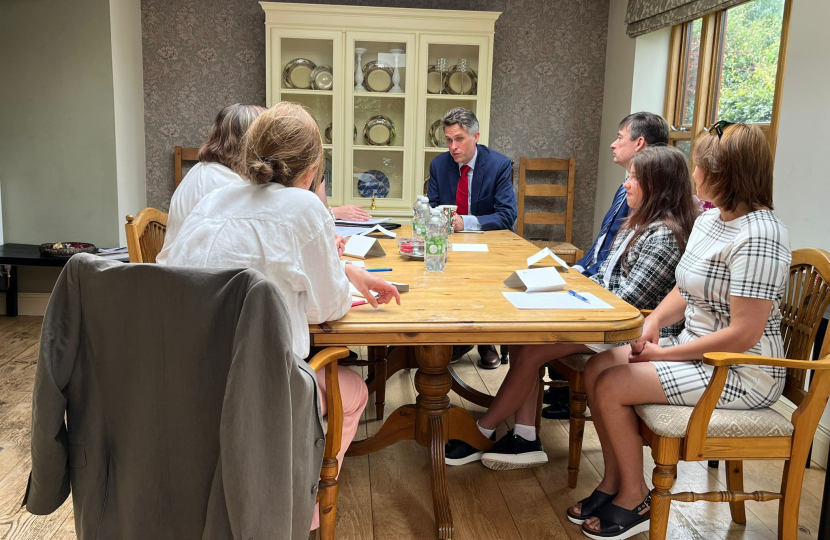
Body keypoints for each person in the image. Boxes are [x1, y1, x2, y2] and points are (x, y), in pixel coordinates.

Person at [165, 101, 402, 532]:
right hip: (263, 394)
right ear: (311, 170)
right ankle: (303, 515)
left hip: (187, 382)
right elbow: (327, 308)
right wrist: (335, 272)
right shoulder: (304, 207)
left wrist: (342, 268)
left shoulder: (213, 199)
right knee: (354, 392)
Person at [574, 123, 791, 540]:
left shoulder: (761, 235)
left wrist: (662, 354)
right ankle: (614, 482)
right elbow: (683, 286)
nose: (693, 176)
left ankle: (634, 497)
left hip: (742, 370)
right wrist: (653, 322)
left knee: (613, 384)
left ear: (728, 174)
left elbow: (745, 334)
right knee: (596, 367)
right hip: (694, 350)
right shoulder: (712, 220)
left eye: (701, 168)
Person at [445, 145, 697, 470]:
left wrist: (567, 288)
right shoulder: (638, 224)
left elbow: (624, 304)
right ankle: (524, 437)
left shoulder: (663, 237)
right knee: (525, 340)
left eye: (634, 178)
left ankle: (483, 430)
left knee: (534, 350)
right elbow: (607, 285)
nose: (625, 185)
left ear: (657, 186)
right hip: (603, 318)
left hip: (629, 331)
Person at [543, 112, 671, 420]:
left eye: (620, 137)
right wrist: (578, 274)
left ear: (640, 143)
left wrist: (582, 283)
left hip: (616, 310)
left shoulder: (657, 224)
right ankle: (533, 413)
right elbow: (604, 250)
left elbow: (627, 291)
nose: (613, 144)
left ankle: (518, 426)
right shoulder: (628, 191)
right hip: (597, 283)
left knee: (538, 337)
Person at [428, 107, 517, 369]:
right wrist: (444, 223)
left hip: (488, 242)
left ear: (475, 136)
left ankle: (486, 342)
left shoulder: (499, 165)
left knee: (483, 283)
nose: (453, 147)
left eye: (459, 139)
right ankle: (455, 338)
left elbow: (506, 216)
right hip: (450, 240)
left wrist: (465, 222)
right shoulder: (438, 165)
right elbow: (433, 207)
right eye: (448, 140)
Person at [156, 104, 266, 265]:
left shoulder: (202, 170)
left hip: (182, 273)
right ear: (249, 142)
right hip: (195, 280)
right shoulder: (227, 184)